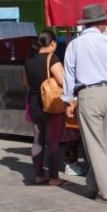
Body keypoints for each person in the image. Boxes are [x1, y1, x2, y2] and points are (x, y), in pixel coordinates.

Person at [63, 4, 107, 205]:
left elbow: (69, 74)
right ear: (101, 24)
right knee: (105, 146)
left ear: (85, 24)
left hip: (89, 94)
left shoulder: (75, 45)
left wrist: (68, 99)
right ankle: (93, 186)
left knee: (95, 146)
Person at [23, 30, 67, 186]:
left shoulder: (29, 59)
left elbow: (26, 84)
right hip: (51, 104)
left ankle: (39, 174)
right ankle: (54, 177)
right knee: (53, 141)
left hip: (34, 103)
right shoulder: (52, 58)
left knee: (38, 140)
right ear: (53, 43)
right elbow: (62, 81)